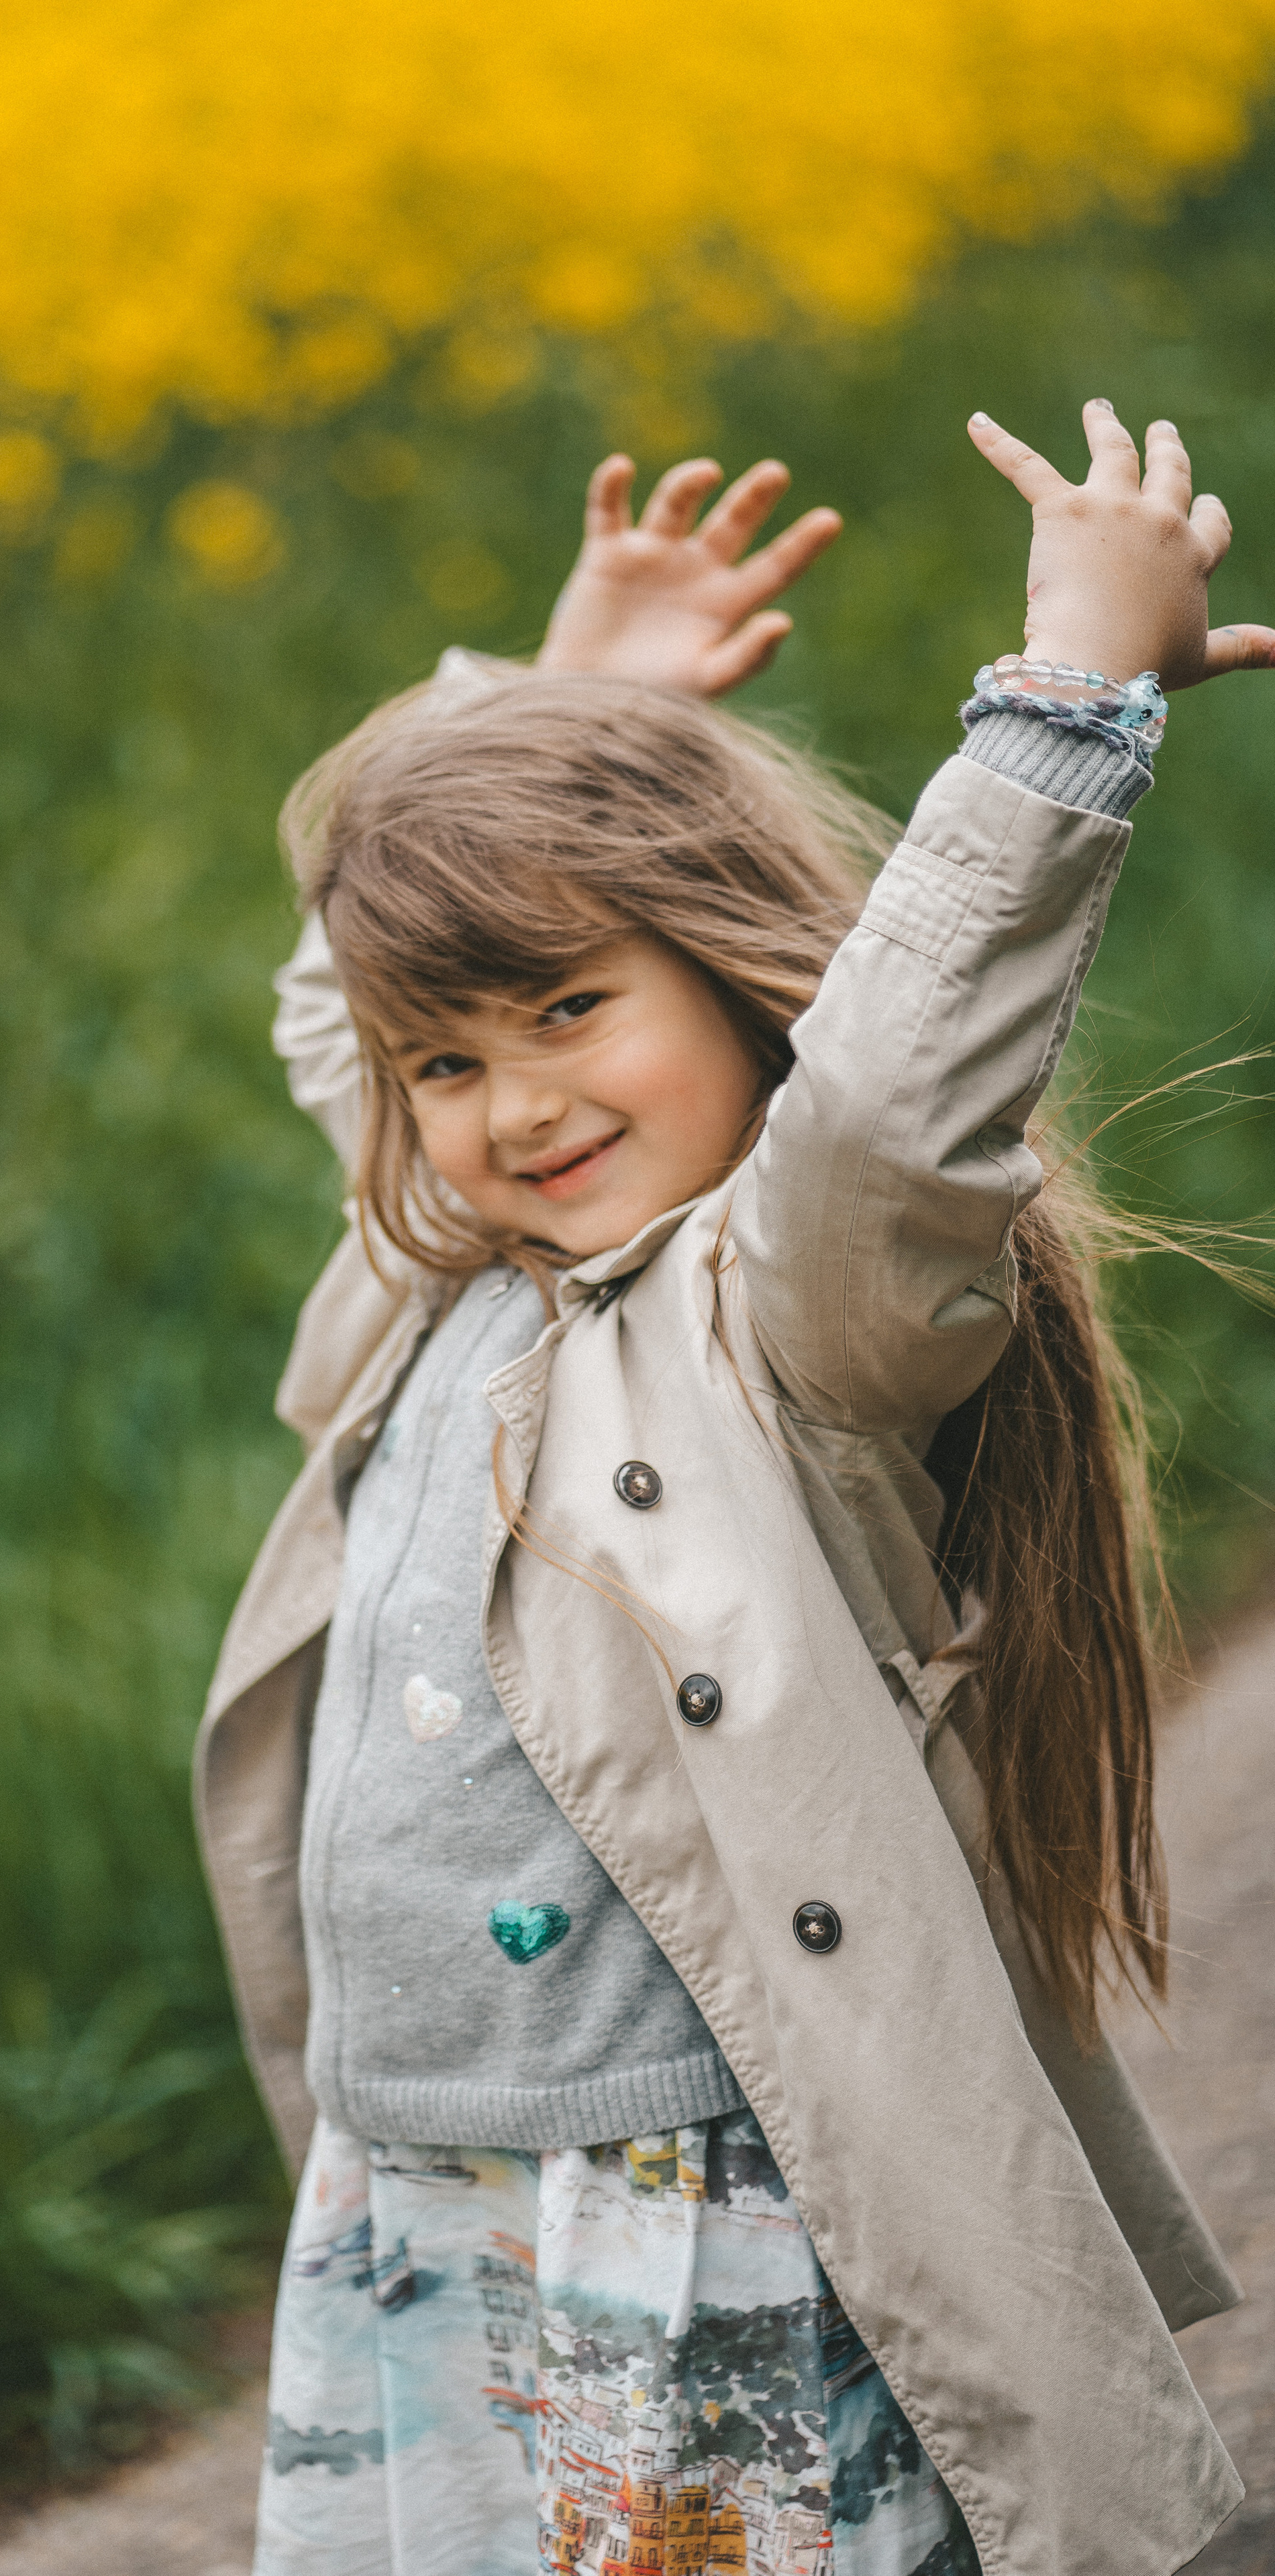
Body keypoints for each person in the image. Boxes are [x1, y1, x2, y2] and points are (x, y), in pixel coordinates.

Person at [194, 405, 1274, 2576]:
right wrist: (556, 700)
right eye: (451, 1062)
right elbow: (345, 1014)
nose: (512, 1107)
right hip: (422, 2194)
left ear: (731, 967)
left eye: (570, 1009)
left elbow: (899, 1090)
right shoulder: (439, 1262)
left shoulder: (793, 1317)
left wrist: (1070, 703)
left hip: (691, 2207)